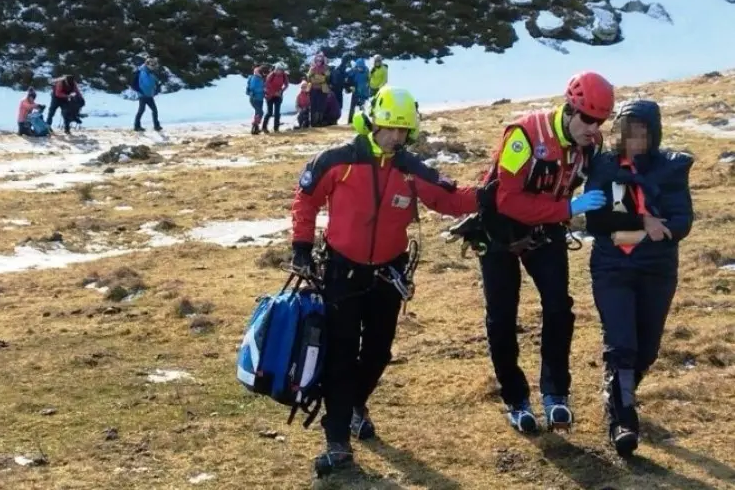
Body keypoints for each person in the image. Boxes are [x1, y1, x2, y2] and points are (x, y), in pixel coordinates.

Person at [291, 85, 481, 476]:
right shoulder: (338, 160)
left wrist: (492, 192)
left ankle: (355, 406)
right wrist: (301, 249)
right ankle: (338, 439)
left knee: (378, 352)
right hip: (341, 273)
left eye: (403, 130)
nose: (395, 137)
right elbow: (305, 200)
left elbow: (449, 199)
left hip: (387, 276)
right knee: (341, 356)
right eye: (390, 128)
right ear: (373, 121)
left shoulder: (411, 169)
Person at [472, 71, 614, 434]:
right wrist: (567, 209)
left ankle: (556, 393)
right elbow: (507, 200)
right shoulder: (524, 135)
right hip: (499, 232)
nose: (593, 128)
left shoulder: (590, 145)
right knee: (502, 316)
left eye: (600, 121)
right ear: (570, 109)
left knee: (558, 308)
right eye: (587, 119)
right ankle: (515, 397)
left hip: (546, 231)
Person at [584, 100, 694, 457]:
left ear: (653, 134)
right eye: (628, 131)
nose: (634, 139)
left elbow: (681, 222)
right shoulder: (603, 165)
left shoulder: (671, 168)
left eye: (642, 132)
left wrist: (660, 228)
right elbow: (596, 220)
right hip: (612, 267)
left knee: (646, 349)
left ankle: (618, 390)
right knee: (622, 347)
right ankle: (623, 419)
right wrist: (643, 223)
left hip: (656, 270)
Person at [134, 57, 162, 132]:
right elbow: (144, 84)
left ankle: (156, 126)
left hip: (148, 95)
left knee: (154, 110)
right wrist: (140, 91)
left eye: (154, 65)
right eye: (152, 65)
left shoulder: (150, 72)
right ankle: (137, 126)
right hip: (143, 95)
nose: (153, 67)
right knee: (142, 110)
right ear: (147, 65)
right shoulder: (142, 72)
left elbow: (155, 81)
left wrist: (157, 86)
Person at [263, 62, 290, 132]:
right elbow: (267, 84)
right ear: (276, 69)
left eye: (282, 70)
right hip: (270, 96)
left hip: (278, 95)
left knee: (277, 113)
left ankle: (276, 128)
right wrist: (274, 93)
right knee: (269, 112)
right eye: (279, 69)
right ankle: (264, 127)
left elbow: (287, 84)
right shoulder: (271, 75)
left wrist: (281, 91)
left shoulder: (284, 75)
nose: (280, 71)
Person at [307, 53, 331, 127]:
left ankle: (319, 122)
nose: (319, 62)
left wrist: (318, 78)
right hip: (313, 89)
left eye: (320, 61)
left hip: (322, 90)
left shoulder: (326, 68)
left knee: (321, 106)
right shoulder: (312, 68)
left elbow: (327, 78)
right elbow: (309, 78)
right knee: (314, 106)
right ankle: (313, 123)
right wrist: (320, 78)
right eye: (317, 60)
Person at [346, 58, 371, 124]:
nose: (360, 68)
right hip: (355, 92)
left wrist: (367, 88)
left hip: (363, 92)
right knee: (352, 107)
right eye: (358, 67)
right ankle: (350, 121)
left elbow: (369, 79)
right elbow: (348, 74)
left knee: (362, 108)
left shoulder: (367, 70)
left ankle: (362, 122)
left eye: (361, 67)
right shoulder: (354, 70)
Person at [247, 66, 266, 135]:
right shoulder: (255, 78)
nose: (262, 73)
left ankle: (255, 129)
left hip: (260, 99)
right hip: (254, 99)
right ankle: (254, 126)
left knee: (257, 113)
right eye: (261, 72)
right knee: (260, 112)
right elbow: (253, 88)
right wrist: (263, 89)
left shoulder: (260, 78)